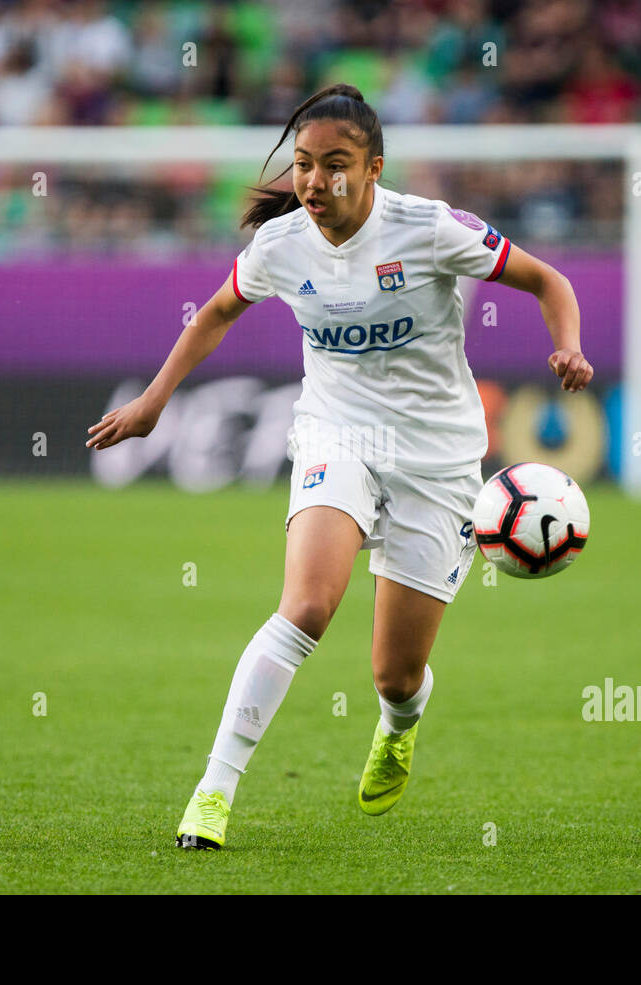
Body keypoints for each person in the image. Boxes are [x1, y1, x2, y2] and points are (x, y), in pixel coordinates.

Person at [85, 84, 591, 850]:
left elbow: (548, 280)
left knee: (395, 673)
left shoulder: (430, 229)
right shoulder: (281, 245)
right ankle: (213, 792)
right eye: (303, 166)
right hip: (337, 436)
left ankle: (398, 724)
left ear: (375, 168)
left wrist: (569, 344)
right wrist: (155, 401)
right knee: (308, 605)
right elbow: (218, 311)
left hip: (438, 457)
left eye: (335, 166)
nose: (315, 183)